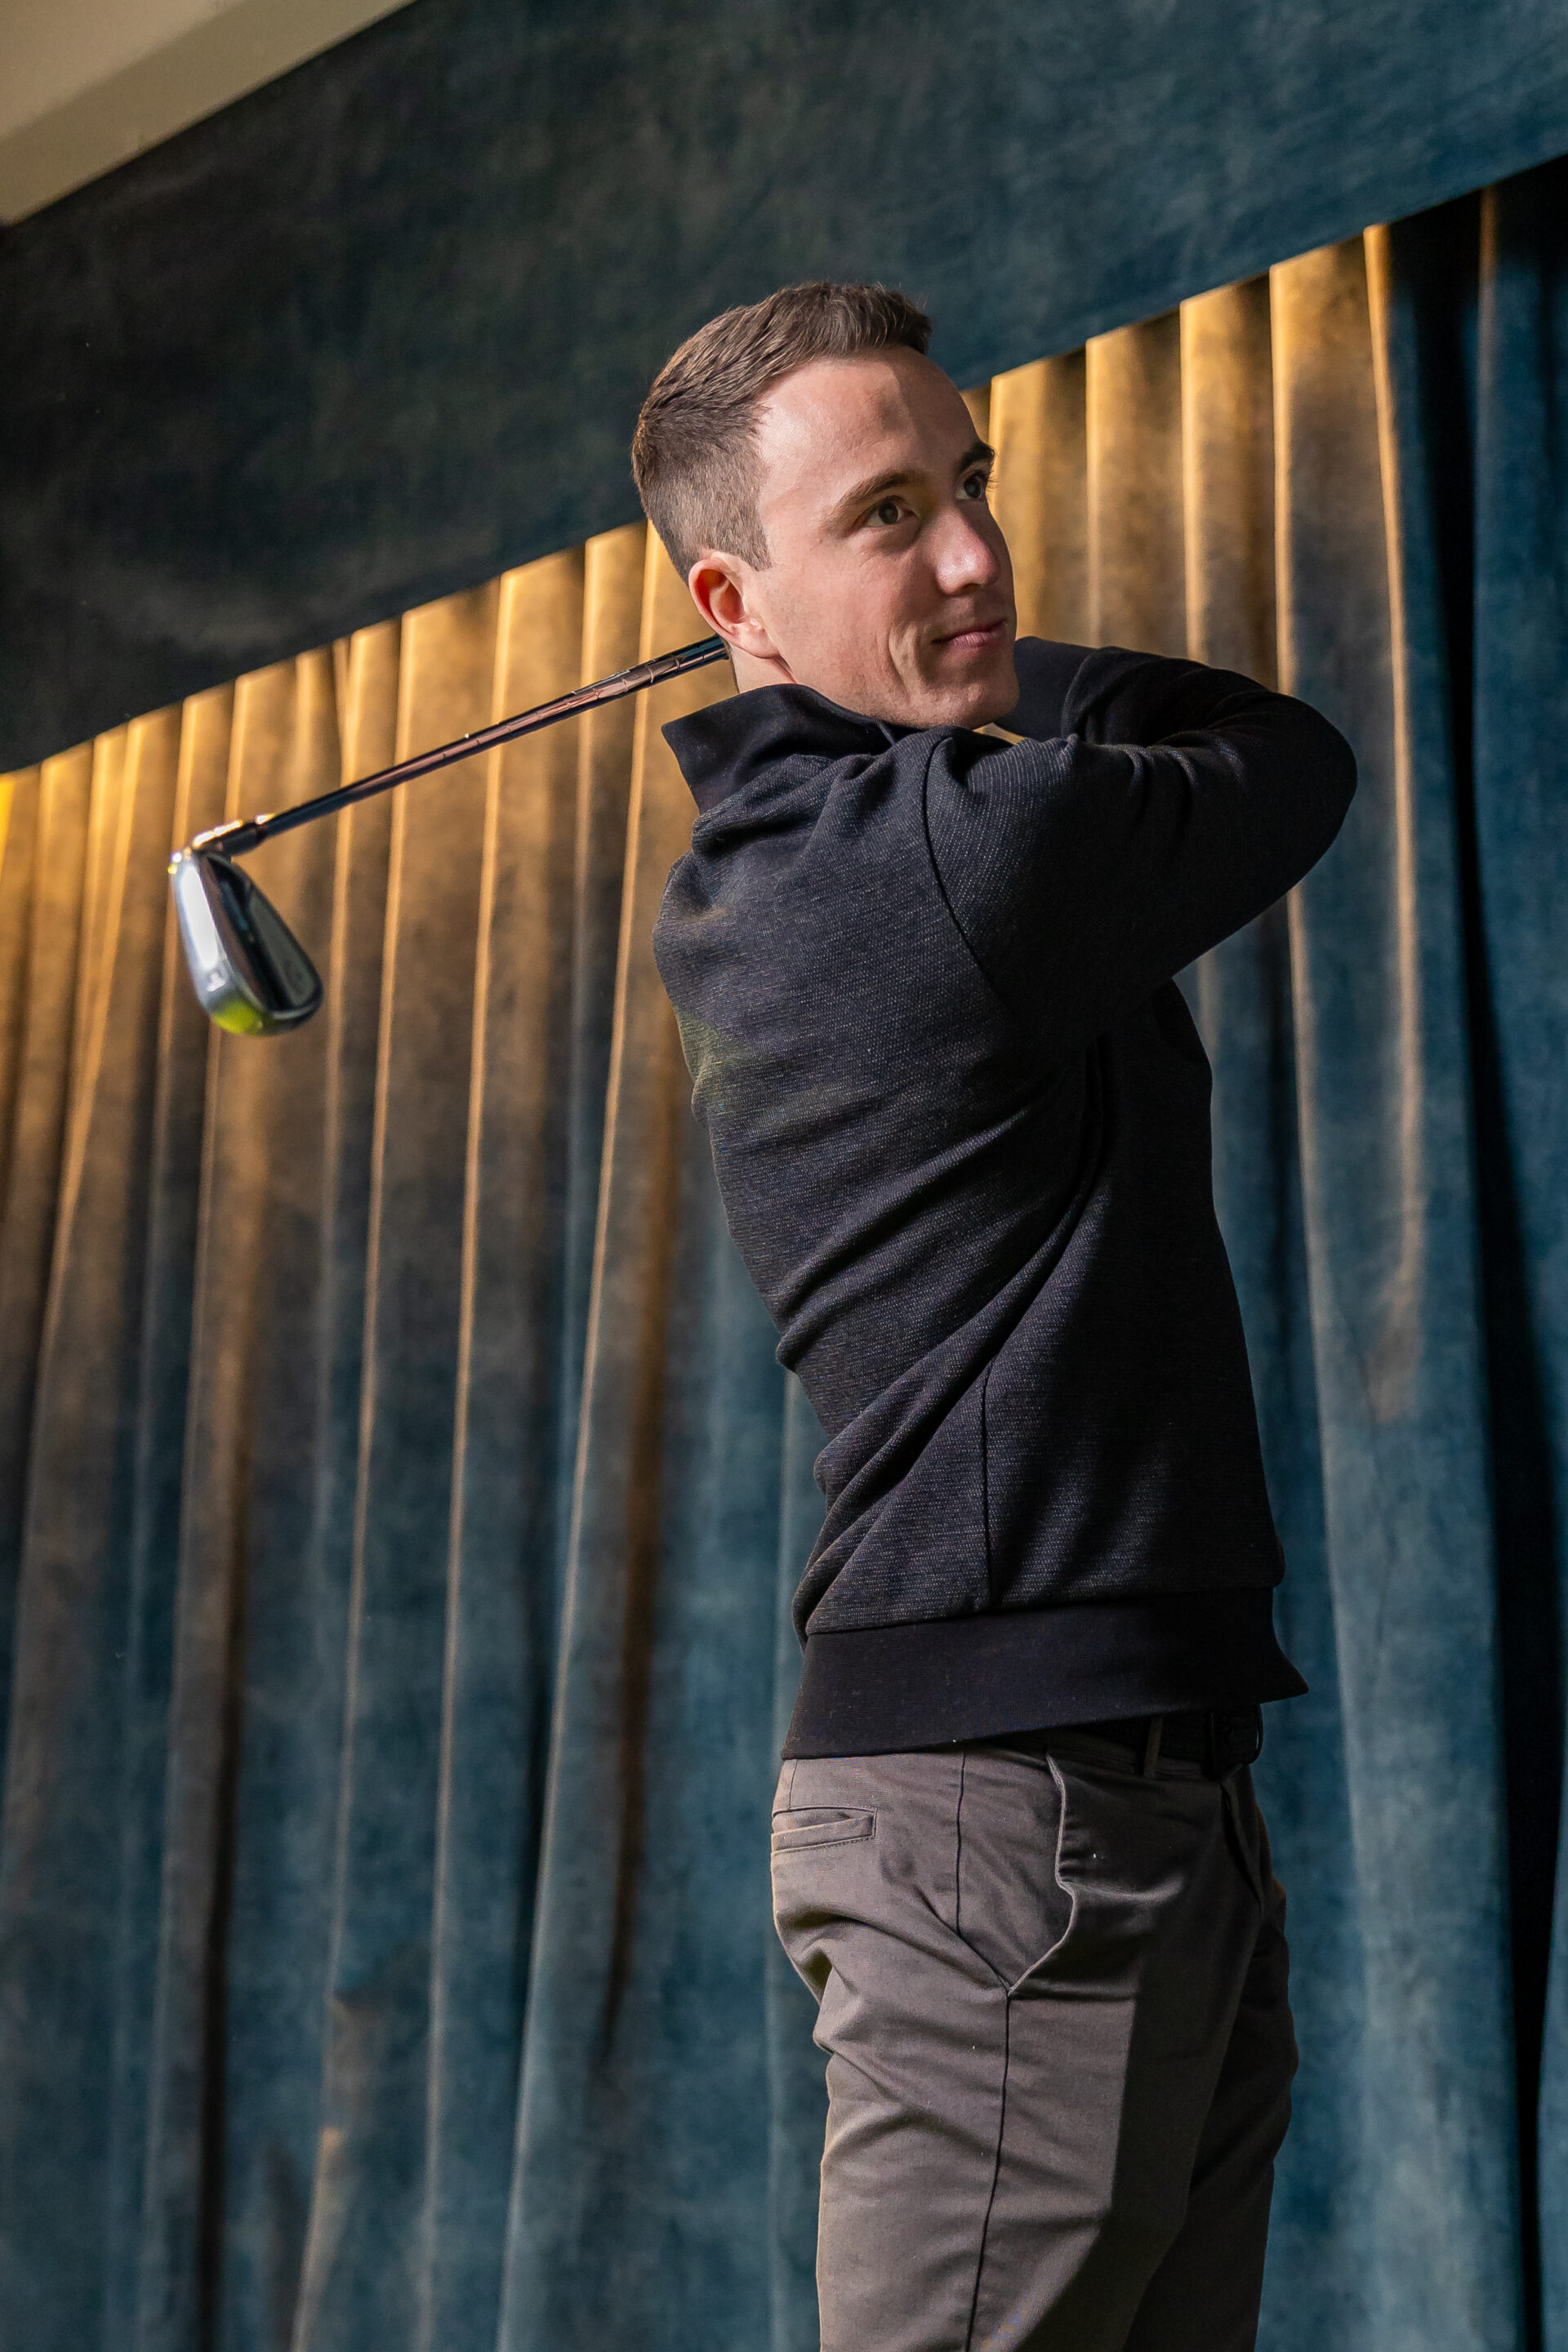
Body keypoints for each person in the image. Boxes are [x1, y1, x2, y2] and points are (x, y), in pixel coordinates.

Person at [631, 282, 1356, 2352]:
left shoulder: (807, 855)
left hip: (1122, 1796)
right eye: (886, 517)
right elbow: (1285, 756)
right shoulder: (935, 861)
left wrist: (892, 649)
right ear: (731, 601)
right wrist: (1008, 673)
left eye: (972, 486)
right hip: (1013, 1826)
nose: (973, 554)